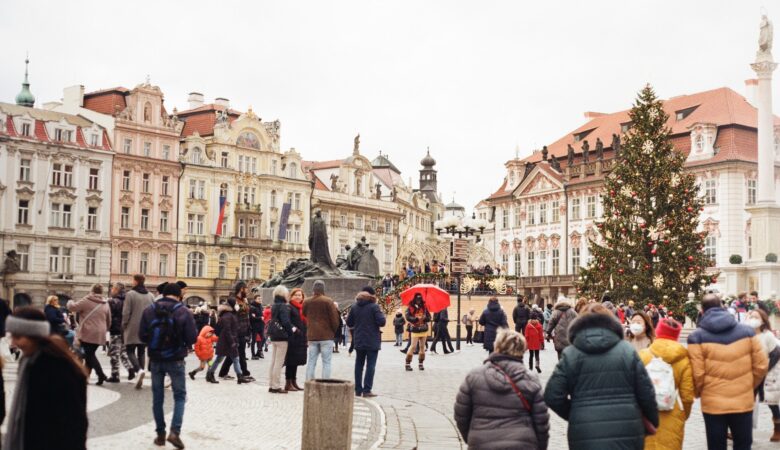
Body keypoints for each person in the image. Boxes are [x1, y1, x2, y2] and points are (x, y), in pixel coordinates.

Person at [544, 303, 659, 449]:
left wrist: (576, 414)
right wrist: (652, 421)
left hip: (585, 432)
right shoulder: (627, 351)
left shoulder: (571, 354)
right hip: (626, 427)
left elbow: (552, 395)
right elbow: (646, 393)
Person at [687, 293, 768, 450]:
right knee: (743, 444)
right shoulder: (748, 332)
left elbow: (697, 373)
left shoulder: (696, 337)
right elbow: (761, 365)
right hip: (742, 401)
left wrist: (700, 392)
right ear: (722, 307)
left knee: (716, 445)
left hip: (713, 402)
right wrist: (749, 386)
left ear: (702, 311)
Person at [4, 307, 87, 449]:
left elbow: (73, 419)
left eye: (18, 337)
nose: (13, 343)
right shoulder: (29, 360)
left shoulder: (56, 365)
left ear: (34, 335)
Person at [454, 328, 550, 449]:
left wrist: (472, 438)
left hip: (482, 442)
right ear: (522, 350)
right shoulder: (530, 379)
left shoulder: (474, 377)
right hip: (521, 444)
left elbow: (461, 415)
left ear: (497, 346)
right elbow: (541, 421)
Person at [139, 282, 197, 448]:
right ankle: (175, 432)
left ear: (163, 294)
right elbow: (192, 338)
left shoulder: (149, 310)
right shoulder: (183, 311)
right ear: (178, 294)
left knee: (158, 398)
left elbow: (142, 336)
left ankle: (160, 435)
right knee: (179, 396)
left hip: (156, 359)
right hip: (176, 359)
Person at [637, 318, 694, 450]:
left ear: (658, 333)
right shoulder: (683, 359)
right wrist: (683, 414)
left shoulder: (643, 355)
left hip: (646, 415)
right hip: (672, 412)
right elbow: (687, 395)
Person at [745, 309, 780, 441]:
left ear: (763, 320)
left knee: (771, 402)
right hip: (751, 373)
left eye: (756, 317)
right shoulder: (746, 335)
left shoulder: (767, 335)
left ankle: (778, 428)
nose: (753, 319)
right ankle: (744, 431)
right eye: (751, 316)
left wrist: (766, 368)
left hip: (766, 374)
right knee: (748, 402)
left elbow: (776, 353)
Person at [67, 283, 111, 385]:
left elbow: (72, 307)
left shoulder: (87, 300)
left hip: (88, 332)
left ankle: (101, 375)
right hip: (100, 332)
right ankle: (87, 377)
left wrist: (70, 301)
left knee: (89, 355)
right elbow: (109, 320)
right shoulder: (105, 303)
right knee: (89, 355)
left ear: (92, 290)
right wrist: (105, 329)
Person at [346, 287, 386, 397]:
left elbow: (349, 323)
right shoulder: (374, 307)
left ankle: (358, 390)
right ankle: (367, 390)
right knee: (370, 365)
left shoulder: (354, 307)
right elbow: (382, 322)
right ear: (371, 297)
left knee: (358, 365)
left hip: (359, 339)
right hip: (372, 340)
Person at [304, 280, 340, 381]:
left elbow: (304, 313)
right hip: (326, 336)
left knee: (311, 361)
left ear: (313, 289)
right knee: (326, 362)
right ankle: (325, 382)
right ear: (323, 289)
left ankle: (309, 382)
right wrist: (332, 331)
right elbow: (335, 319)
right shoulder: (328, 301)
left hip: (312, 335)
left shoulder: (307, 301)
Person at [208, 298, 250, 384]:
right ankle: (210, 374)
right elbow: (227, 330)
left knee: (235, 359)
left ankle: (240, 376)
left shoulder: (231, 314)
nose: (237, 306)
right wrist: (232, 342)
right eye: (236, 304)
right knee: (219, 359)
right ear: (232, 305)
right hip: (227, 341)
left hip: (230, 340)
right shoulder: (228, 315)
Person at [123, 274, 155, 388]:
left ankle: (138, 370)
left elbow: (126, 312)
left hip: (132, 326)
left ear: (136, 281)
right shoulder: (151, 295)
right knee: (141, 351)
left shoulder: (130, 294)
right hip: (146, 327)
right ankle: (140, 375)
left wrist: (124, 324)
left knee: (130, 350)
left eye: (133, 280)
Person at [219, 281, 251, 380]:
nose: (247, 291)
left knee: (233, 353)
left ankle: (223, 372)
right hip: (236, 330)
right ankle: (244, 373)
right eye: (246, 289)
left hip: (243, 329)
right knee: (240, 353)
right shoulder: (232, 300)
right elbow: (230, 315)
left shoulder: (244, 300)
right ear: (241, 289)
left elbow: (246, 316)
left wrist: (248, 330)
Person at [268, 285, 294, 394]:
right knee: (279, 362)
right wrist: (290, 332)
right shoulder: (283, 306)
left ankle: (271, 384)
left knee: (273, 362)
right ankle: (276, 386)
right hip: (282, 337)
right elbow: (286, 322)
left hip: (274, 335)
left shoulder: (274, 305)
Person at [106, 283, 132, 383]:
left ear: (116, 289)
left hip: (115, 329)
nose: (111, 290)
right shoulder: (127, 300)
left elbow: (109, 316)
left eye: (112, 288)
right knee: (123, 352)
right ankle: (130, 369)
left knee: (114, 353)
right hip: (125, 330)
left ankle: (115, 375)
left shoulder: (113, 302)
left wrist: (108, 326)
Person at [284, 288, 308, 391]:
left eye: (300, 295)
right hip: (293, 338)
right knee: (290, 361)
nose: (298, 297)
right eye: (296, 295)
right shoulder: (289, 307)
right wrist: (295, 329)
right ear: (291, 296)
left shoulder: (302, 308)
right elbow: (287, 321)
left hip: (301, 338)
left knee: (296, 361)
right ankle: (288, 383)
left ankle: (293, 381)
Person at [404, 293, 431, 371]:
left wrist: (424, 318)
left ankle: (421, 363)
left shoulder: (424, 307)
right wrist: (415, 319)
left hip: (423, 328)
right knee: (413, 346)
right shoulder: (410, 307)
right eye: (417, 299)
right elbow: (407, 316)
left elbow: (429, 317)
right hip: (415, 328)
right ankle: (407, 363)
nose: (419, 300)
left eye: (420, 299)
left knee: (422, 347)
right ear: (415, 299)